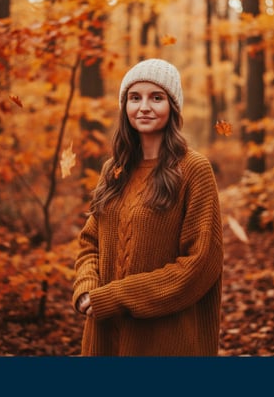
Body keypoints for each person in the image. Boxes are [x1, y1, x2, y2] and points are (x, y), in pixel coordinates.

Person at [72, 59, 223, 356]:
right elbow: (91, 241)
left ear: (173, 107)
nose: (144, 107)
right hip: (105, 333)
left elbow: (201, 263)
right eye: (134, 97)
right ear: (124, 106)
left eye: (156, 97)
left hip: (165, 340)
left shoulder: (194, 169)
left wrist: (117, 296)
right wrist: (87, 288)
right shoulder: (113, 170)